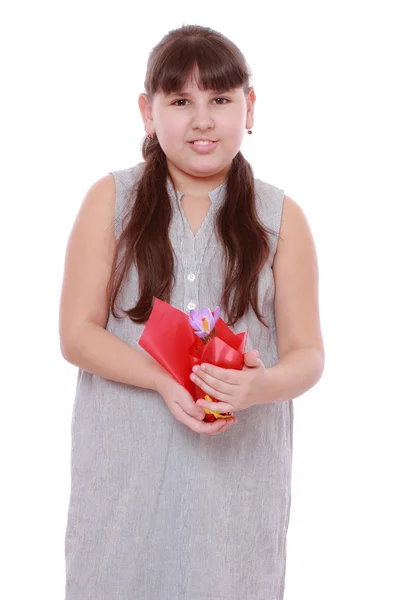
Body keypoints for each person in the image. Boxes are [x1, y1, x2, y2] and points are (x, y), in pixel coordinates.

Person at [59, 23, 325, 600]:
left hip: (237, 480)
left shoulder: (282, 218)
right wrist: (160, 379)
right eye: (180, 100)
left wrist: (258, 386)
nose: (202, 120)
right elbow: (77, 334)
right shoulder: (112, 200)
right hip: (125, 471)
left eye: (221, 100)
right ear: (147, 112)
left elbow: (308, 355)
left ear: (249, 108)